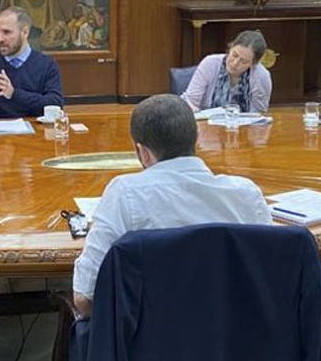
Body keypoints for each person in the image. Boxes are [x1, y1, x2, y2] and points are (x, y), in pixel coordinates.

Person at [72, 94, 273, 318]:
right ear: (196, 139)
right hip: (236, 342)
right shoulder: (245, 193)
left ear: (142, 152)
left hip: (148, 346)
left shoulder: (124, 193)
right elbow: (270, 280)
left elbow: (85, 298)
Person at [0, 7, 63, 120]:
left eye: (6, 32)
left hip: (34, 133)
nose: (0, 39)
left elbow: (56, 105)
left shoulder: (46, 64)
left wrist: (14, 94)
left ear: (24, 32)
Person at [181, 30, 274, 113]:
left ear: (253, 64)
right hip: (206, 126)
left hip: (244, 129)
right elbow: (190, 101)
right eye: (234, 55)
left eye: (244, 61)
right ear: (230, 48)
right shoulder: (210, 63)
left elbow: (260, 113)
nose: (235, 63)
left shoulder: (261, 76)